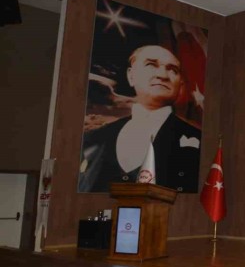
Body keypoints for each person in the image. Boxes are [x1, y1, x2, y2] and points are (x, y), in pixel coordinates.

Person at [79, 45, 201, 193]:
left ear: (180, 84)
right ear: (131, 76)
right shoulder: (95, 139)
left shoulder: (199, 141)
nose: (163, 75)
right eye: (151, 65)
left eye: (173, 70)